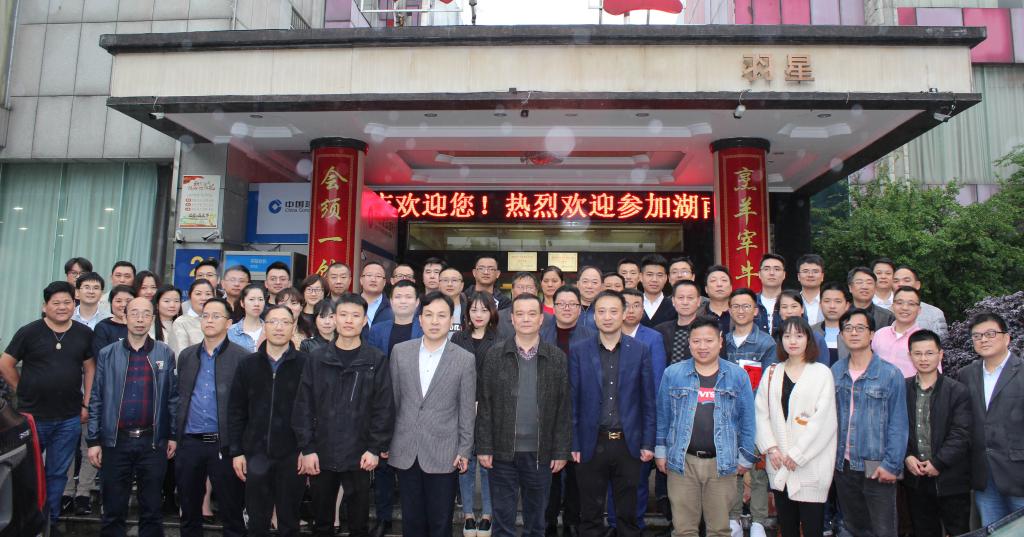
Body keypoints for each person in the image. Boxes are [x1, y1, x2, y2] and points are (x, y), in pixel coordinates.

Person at [293, 293, 394, 537]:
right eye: (344, 315)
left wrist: (374, 448)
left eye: (355, 315)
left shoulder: (375, 359)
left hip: (360, 454)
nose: (349, 320)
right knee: (322, 524)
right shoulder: (317, 358)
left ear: (364, 321)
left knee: (359, 524)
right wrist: (307, 448)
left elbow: (383, 407)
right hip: (322, 452)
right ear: (335, 319)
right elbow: (303, 405)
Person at [0, 281, 96, 529]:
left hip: (69, 417)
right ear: (45, 306)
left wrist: (86, 403)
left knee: (57, 473)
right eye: (56, 303)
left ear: (74, 304)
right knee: (27, 473)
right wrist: (21, 389)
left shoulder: (84, 334)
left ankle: (49, 522)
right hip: (32, 417)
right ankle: (25, 523)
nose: (62, 307)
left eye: (67, 302)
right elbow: (5, 363)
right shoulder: (29, 332)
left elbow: (90, 368)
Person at [476, 293, 572, 537]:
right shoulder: (495, 355)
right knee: (502, 524)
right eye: (520, 314)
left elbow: (563, 408)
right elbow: (485, 405)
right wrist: (484, 447)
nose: (526, 319)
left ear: (541, 319)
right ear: (512, 318)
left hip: (541, 453)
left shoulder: (557, 358)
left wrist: (561, 451)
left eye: (532, 314)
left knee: (536, 524)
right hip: (501, 453)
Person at [655, 316, 756, 537]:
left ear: (720, 341)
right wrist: (660, 451)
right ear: (689, 343)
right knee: (683, 529)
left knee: (719, 529)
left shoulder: (737, 376)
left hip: (722, 462)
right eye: (696, 341)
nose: (702, 346)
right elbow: (663, 416)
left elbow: (748, 420)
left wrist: (746, 457)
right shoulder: (673, 374)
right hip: (682, 462)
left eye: (709, 341)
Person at [86, 297, 178, 537]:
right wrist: (94, 440)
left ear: (152, 319)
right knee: (113, 508)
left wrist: (172, 435)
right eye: (134, 313)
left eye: (146, 314)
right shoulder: (107, 354)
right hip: (116, 440)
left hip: (152, 441)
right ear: (124, 317)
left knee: (152, 509)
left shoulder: (164, 353)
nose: (140, 319)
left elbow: (172, 398)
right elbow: (97, 398)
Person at [389, 291, 477, 537]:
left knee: (440, 522)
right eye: (429, 315)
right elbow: (393, 401)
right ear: (420, 319)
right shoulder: (400, 352)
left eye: (441, 315)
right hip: (406, 449)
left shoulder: (464, 359)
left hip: (444, 452)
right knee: (411, 521)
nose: (435, 321)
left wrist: (464, 449)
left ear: (451, 320)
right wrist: (386, 441)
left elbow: (466, 409)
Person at [570, 290, 656, 537]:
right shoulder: (579, 350)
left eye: (613, 311)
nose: (607, 317)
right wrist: (574, 442)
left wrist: (648, 442)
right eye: (601, 311)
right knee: (590, 513)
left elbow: (648, 401)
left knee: (628, 514)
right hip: (590, 442)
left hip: (628, 443)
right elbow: (572, 400)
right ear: (594, 316)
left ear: (624, 314)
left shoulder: (640, 350)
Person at [228, 305, 308, 537]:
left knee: (289, 522)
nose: (279, 327)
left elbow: (314, 410)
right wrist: (237, 451)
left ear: (293, 327)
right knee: (257, 522)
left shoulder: (306, 364)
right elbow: (236, 411)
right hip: (255, 454)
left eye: (285, 322)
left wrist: (308, 448)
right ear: (265, 326)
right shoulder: (248, 364)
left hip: (293, 455)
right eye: (273, 322)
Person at [754, 317, 837, 537]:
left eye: (799, 336)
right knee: (787, 527)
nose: (793, 341)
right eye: (787, 336)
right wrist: (771, 448)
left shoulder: (821, 373)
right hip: (779, 462)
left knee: (812, 528)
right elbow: (761, 413)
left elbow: (824, 421)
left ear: (808, 339)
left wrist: (798, 454)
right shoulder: (772, 372)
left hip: (811, 464)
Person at [831, 308, 908, 537]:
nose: (854, 333)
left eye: (860, 328)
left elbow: (899, 424)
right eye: (848, 328)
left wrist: (892, 465)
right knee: (854, 527)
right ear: (842, 335)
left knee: (883, 530)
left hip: (877, 465)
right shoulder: (836, 371)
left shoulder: (890, 374)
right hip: (843, 465)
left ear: (872, 334)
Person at [175, 298, 248, 537]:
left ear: (228, 323)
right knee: (188, 511)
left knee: (231, 512)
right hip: (190, 442)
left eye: (216, 316)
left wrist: (240, 447)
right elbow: (179, 397)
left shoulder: (242, 357)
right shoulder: (187, 356)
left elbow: (247, 405)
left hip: (224, 445)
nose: (209, 320)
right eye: (205, 315)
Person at [366, 280, 422, 537]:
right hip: (384, 403)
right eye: (398, 296)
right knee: (383, 466)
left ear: (417, 301)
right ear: (391, 300)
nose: (403, 301)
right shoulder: (378, 330)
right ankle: (383, 517)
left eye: (408, 296)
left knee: (412, 466)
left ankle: (415, 518)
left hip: (415, 403)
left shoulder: (424, 327)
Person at [902, 329, 971, 537]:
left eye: (929, 353)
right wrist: (907, 456)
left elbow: (961, 433)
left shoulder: (957, 390)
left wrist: (938, 463)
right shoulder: (902, 388)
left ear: (940, 354)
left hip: (951, 479)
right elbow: (895, 428)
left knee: (958, 531)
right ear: (910, 356)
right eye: (918, 353)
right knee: (923, 530)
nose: (923, 359)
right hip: (915, 478)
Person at [958, 312, 1024, 526]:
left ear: (1007, 338)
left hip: (1019, 473)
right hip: (983, 476)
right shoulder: (966, 375)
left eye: (990, 334)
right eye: (977, 336)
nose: (983, 339)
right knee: (991, 530)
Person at [540, 285, 593, 537]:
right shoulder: (541, 334)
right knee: (548, 470)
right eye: (561, 304)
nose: (567, 308)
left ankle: (573, 520)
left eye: (573, 304)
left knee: (576, 471)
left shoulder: (591, 336)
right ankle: (548, 520)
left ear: (580, 308)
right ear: (554, 306)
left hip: (580, 412)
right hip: (547, 412)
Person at [723, 288, 776, 537]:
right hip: (725, 415)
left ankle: (758, 521)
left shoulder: (766, 343)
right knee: (730, 467)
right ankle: (733, 517)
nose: (741, 311)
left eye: (746, 306)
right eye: (736, 306)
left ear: (755, 311)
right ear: (729, 310)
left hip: (756, 414)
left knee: (757, 471)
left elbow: (770, 382)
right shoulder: (722, 341)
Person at [451, 291, 500, 537]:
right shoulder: (457, 338)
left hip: (491, 410)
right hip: (462, 408)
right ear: (467, 312)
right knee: (465, 461)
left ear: (492, 312)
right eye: (473, 310)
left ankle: (488, 514)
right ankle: (469, 514)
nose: (478, 315)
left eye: (484, 310)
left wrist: (485, 403)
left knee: (489, 463)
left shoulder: (500, 339)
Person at [871, 286, 923, 378]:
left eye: (911, 304)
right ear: (893, 306)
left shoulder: (924, 339)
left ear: (919, 310)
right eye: (899, 303)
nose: (904, 308)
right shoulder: (879, 334)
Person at [775, 290, 830, 365]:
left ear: (802, 309)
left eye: (794, 306)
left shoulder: (816, 338)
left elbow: (823, 367)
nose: (789, 311)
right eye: (784, 307)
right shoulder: (775, 338)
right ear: (779, 311)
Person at [892, 265, 948, 339]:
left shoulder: (934, 314)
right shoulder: (884, 313)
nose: (900, 284)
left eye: (906, 280)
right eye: (896, 281)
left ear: (917, 285)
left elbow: (943, 342)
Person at [654, 280, 702, 365]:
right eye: (680, 298)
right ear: (673, 300)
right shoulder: (660, 331)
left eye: (690, 298)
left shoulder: (710, 329)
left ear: (699, 301)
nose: (685, 302)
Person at [497, 273, 553, 341]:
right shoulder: (499, 318)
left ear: (536, 292)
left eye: (529, 287)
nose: (525, 291)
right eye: (520, 287)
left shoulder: (550, 320)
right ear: (512, 291)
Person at [170, 279, 216, 356]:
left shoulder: (219, 321)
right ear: (190, 296)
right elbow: (181, 355)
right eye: (198, 294)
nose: (203, 298)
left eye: (208, 294)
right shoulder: (181, 323)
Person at [811, 283, 851, 366]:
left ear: (847, 305)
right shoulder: (810, 331)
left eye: (838, 301)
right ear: (820, 305)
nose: (832, 306)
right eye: (827, 301)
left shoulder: (854, 332)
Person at [93, 286, 136, 357]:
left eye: (128, 301)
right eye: (118, 301)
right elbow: (102, 357)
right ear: (111, 303)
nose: (123, 305)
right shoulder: (103, 327)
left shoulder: (140, 325)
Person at [227, 284, 266, 352]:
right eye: (251, 299)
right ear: (242, 303)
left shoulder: (271, 330)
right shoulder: (231, 332)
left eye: (260, 299)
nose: (257, 304)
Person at [640, 254, 675, 328]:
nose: (654, 280)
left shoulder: (674, 306)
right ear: (640, 277)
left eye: (659, 275)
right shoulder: (632, 306)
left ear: (666, 278)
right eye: (649, 275)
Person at [756, 254, 786, 333]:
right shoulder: (751, 302)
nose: (771, 273)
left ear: (784, 275)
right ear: (759, 274)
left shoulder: (793, 303)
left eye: (777, 269)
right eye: (766, 269)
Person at [699, 265, 733, 334]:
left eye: (724, 280)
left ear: (731, 288)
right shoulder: (697, 315)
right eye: (713, 280)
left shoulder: (741, 313)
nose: (719, 284)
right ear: (706, 289)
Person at [360, 262, 393, 328]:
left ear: (384, 282)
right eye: (369, 275)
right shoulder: (350, 304)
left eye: (378, 276)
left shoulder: (392, 307)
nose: (373, 279)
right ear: (361, 280)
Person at [796, 254, 825, 325]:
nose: (810, 275)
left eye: (815, 271)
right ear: (798, 276)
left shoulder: (830, 303)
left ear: (822, 276)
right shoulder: (792, 302)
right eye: (805, 271)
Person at [439, 267, 466, 335]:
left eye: (454, 280)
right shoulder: (430, 307)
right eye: (445, 280)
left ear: (462, 285)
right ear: (439, 284)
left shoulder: (469, 309)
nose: (450, 284)